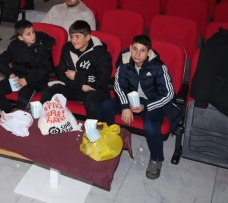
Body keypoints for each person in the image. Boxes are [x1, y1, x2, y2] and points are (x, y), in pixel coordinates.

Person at [102, 35, 181, 180]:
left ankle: (156, 159)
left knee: (151, 125)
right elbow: (119, 87)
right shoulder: (124, 62)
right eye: (135, 49)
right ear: (130, 48)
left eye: (142, 50)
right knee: (106, 106)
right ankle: (109, 141)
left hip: (152, 102)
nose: (137, 54)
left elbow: (169, 94)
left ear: (149, 52)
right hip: (130, 99)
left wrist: (145, 106)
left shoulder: (159, 67)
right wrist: (125, 106)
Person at [40, 20, 112, 120]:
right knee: (48, 92)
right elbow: (61, 73)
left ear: (87, 37)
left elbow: (102, 80)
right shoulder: (67, 48)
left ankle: (92, 129)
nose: (74, 40)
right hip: (73, 86)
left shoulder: (102, 54)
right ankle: (47, 122)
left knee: (93, 101)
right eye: (72, 37)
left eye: (77, 37)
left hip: (92, 89)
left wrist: (77, 76)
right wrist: (80, 85)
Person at [0, 20, 54, 113]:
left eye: (33, 32)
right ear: (20, 37)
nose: (33, 36)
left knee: (23, 99)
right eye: (28, 34)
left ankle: (19, 114)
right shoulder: (15, 46)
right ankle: (11, 113)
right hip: (18, 76)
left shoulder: (43, 45)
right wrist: (10, 74)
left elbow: (46, 68)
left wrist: (26, 80)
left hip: (35, 80)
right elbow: (0, 61)